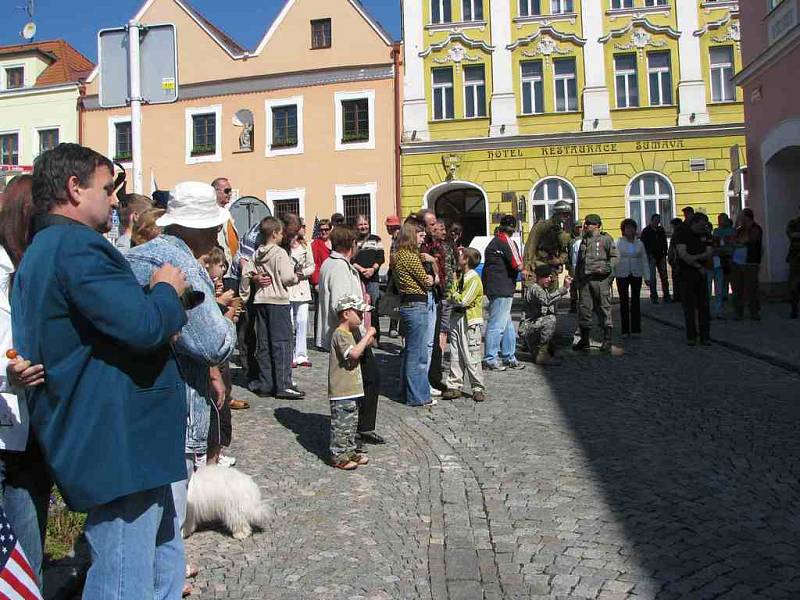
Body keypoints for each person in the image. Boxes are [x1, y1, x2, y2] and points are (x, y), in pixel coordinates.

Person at [12, 143, 190, 599]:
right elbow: (144, 325)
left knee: (157, 551)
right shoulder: (76, 247)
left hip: (118, 438)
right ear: (74, 188)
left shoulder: (44, 248)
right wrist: (166, 291)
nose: (115, 201)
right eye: (107, 189)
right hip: (116, 440)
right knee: (124, 574)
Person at [0, 175, 50, 586]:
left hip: (33, 418)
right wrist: (9, 369)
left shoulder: (34, 263)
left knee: (28, 524)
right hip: (6, 417)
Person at [240, 217, 304, 399]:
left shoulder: (257, 253)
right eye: (282, 232)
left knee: (264, 344)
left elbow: (246, 272)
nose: (283, 236)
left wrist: (247, 291)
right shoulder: (279, 253)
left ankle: (266, 383)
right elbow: (286, 278)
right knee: (282, 343)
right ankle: (284, 384)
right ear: (275, 233)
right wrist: (296, 276)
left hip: (261, 301)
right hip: (278, 302)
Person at [328, 295, 376, 470]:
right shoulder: (340, 334)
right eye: (359, 313)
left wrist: (367, 339)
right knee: (341, 425)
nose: (362, 317)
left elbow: (361, 347)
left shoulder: (351, 334)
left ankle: (349, 450)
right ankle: (338, 455)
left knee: (351, 424)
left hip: (353, 390)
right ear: (346, 313)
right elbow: (354, 354)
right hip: (342, 391)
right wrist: (369, 333)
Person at [394, 221, 435, 406]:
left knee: (412, 351)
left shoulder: (399, 255)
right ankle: (417, 396)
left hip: (408, 304)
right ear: (411, 236)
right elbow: (426, 281)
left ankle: (408, 392)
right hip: (415, 304)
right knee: (417, 355)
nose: (423, 237)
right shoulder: (409, 256)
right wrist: (432, 277)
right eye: (420, 235)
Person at [482, 215, 526, 370]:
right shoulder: (506, 241)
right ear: (513, 229)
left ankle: (509, 356)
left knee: (507, 325)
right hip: (502, 287)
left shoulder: (494, 242)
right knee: (497, 325)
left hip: (494, 287)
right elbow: (518, 264)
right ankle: (490, 358)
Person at [442, 247, 485, 402]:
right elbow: (450, 297)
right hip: (457, 318)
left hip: (469, 321)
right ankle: (454, 385)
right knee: (455, 353)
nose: (458, 257)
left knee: (471, 354)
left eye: (461, 255)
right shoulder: (461, 277)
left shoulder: (473, 278)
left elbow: (463, 300)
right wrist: (453, 295)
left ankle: (477, 387)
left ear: (466, 259)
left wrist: (454, 294)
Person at [573, 214, 618, 352]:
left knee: (604, 308)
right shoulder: (584, 240)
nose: (585, 226)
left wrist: (606, 269)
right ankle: (585, 340)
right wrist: (577, 279)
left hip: (601, 280)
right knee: (584, 310)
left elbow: (614, 257)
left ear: (597, 225)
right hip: (585, 280)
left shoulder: (606, 239)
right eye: (585, 223)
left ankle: (607, 339)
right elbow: (580, 261)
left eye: (589, 223)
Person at [232, 220, 264, 390]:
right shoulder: (255, 234)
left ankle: (259, 371)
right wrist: (255, 277)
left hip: (253, 281)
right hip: (239, 280)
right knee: (246, 327)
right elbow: (244, 262)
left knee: (256, 328)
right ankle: (249, 373)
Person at [520, 265, 572, 366]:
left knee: (565, 336)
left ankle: (549, 350)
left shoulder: (543, 288)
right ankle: (541, 355)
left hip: (536, 326)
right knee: (550, 320)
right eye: (547, 277)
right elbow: (547, 300)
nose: (550, 279)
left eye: (550, 277)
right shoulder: (535, 288)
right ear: (540, 277)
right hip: (528, 329)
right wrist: (564, 288)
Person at [674, 213, 713, 345]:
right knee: (689, 307)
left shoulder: (706, 234)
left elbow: (709, 253)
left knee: (704, 306)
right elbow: (683, 255)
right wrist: (698, 264)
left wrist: (695, 258)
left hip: (701, 275)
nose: (704, 228)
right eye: (702, 225)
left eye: (705, 225)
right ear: (694, 223)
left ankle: (705, 336)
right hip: (686, 274)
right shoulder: (682, 233)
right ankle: (691, 336)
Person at [523, 200, 572, 290]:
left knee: (553, 298)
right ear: (557, 213)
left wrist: (559, 260)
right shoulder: (542, 226)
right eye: (565, 214)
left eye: (568, 214)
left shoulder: (560, 230)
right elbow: (530, 246)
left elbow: (564, 250)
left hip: (553, 270)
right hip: (538, 268)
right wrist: (526, 267)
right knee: (537, 298)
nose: (567, 216)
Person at [353, 215, 385, 344]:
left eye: (365, 224)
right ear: (356, 226)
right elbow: (351, 259)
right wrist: (361, 269)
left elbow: (381, 257)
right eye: (360, 224)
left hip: (373, 279)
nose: (363, 226)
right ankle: (360, 336)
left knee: (373, 308)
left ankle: (375, 337)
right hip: (358, 278)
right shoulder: (353, 240)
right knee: (359, 307)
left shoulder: (376, 239)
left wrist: (372, 269)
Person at [615, 218, 649, 336]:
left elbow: (644, 260)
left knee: (636, 301)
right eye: (627, 228)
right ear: (623, 230)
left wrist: (647, 276)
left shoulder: (640, 243)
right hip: (622, 274)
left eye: (632, 228)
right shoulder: (618, 243)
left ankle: (636, 329)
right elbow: (614, 259)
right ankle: (625, 330)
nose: (630, 230)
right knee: (623, 302)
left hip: (636, 273)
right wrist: (611, 275)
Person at [289, 219, 315, 367]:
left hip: (302, 286)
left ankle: (301, 354)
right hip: (288, 287)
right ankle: (290, 354)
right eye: (301, 226)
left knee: (302, 320)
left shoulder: (306, 245)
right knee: (289, 322)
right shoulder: (284, 245)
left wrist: (302, 273)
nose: (303, 229)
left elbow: (312, 266)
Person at [731, 208, 763, 321]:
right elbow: (732, 240)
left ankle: (754, 312)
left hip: (750, 262)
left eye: (741, 216)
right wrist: (735, 224)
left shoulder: (756, 228)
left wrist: (738, 243)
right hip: (737, 262)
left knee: (751, 288)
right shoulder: (740, 229)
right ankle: (738, 312)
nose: (740, 218)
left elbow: (746, 240)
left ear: (747, 217)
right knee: (738, 288)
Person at [211, 177, 240, 289]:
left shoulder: (226, 213)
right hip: (220, 271)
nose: (229, 194)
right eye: (226, 191)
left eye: (230, 191)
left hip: (231, 270)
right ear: (215, 192)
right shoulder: (212, 214)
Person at [311, 219, 333, 349]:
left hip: (333, 280)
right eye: (322, 230)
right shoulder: (316, 245)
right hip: (320, 281)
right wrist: (316, 282)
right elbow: (314, 264)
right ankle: (318, 340)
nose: (324, 232)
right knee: (320, 311)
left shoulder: (335, 243)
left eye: (326, 229)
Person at [709, 213, 736, 318]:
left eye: (722, 219)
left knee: (729, 281)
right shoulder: (716, 231)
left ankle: (729, 301)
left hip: (729, 258)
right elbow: (716, 245)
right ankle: (720, 304)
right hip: (719, 259)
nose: (720, 221)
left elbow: (731, 244)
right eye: (719, 219)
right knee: (720, 282)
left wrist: (724, 244)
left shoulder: (732, 230)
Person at [640, 214, 670, 303]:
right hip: (651, 256)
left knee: (664, 276)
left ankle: (666, 295)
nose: (657, 222)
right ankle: (654, 296)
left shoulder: (661, 230)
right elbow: (643, 244)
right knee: (652, 278)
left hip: (661, 256)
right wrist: (647, 254)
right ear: (651, 221)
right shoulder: (646, 231)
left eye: (658, 221)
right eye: (655, 221)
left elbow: (664, 242)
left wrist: (665, 251)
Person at [385, 215, 402, 338]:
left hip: (399, 274)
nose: (386, 228)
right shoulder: (394, 238)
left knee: (399, 301)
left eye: (387, 226)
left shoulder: (400, 239)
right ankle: (393, 326)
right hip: (393, 273)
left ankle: (397, 328)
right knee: (394, 301)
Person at [787, 206, 800, 319]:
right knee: (794, 285)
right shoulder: (794, 223)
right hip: (795, 258)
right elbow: (791, 234)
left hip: (795, 256)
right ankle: (794, 309)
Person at [667, 217, 684, 303]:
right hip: (675, 260)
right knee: (676, 278)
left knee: (679, 279)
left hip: (679, 260)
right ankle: (677, 296)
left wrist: (671, 259)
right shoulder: (675, 235)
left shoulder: (679, 235)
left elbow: (675, 249)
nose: (672, 228)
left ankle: (679, 296)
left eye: (673, 226)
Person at [567, 223, 583, 313]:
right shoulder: (570, 239)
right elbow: (568, 253)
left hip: (581, 267)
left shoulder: (585, 238)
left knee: (582, 287)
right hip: (572, 267)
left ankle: (583, 306)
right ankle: (573, 306)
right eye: (577, 227)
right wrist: (568, 264)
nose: (579, 229)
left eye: (581, 227)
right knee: (573, 287)